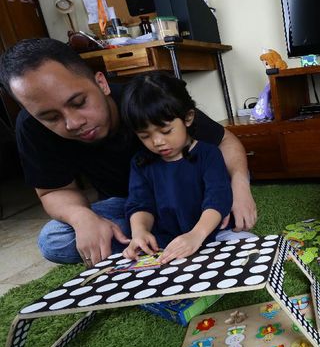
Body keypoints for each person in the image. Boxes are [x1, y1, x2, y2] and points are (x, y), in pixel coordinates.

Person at [0, 38, 257, 267]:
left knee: (225, 207)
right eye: (50, 117)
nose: (72, 123)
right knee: (54, 239)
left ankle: (185, 236)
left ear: (101, 83)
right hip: (131, 207)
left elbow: (225, 142)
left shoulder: (145, 102)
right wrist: (82, 218)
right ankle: (149, 243)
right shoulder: (32, 127)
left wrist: (239, 188)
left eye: (79, 103)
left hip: (196, 196)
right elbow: (53, 191)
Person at [120, 72, 252, 264]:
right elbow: (140, 204)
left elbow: (217, 199)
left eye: (166, 131)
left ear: (188, 118)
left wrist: (196, 236)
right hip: (167, 243)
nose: (157, 142)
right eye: (144, 136)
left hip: (213, 235)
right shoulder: (141, 162)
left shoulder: (208, 154)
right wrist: (140, 232)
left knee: (249, 247)